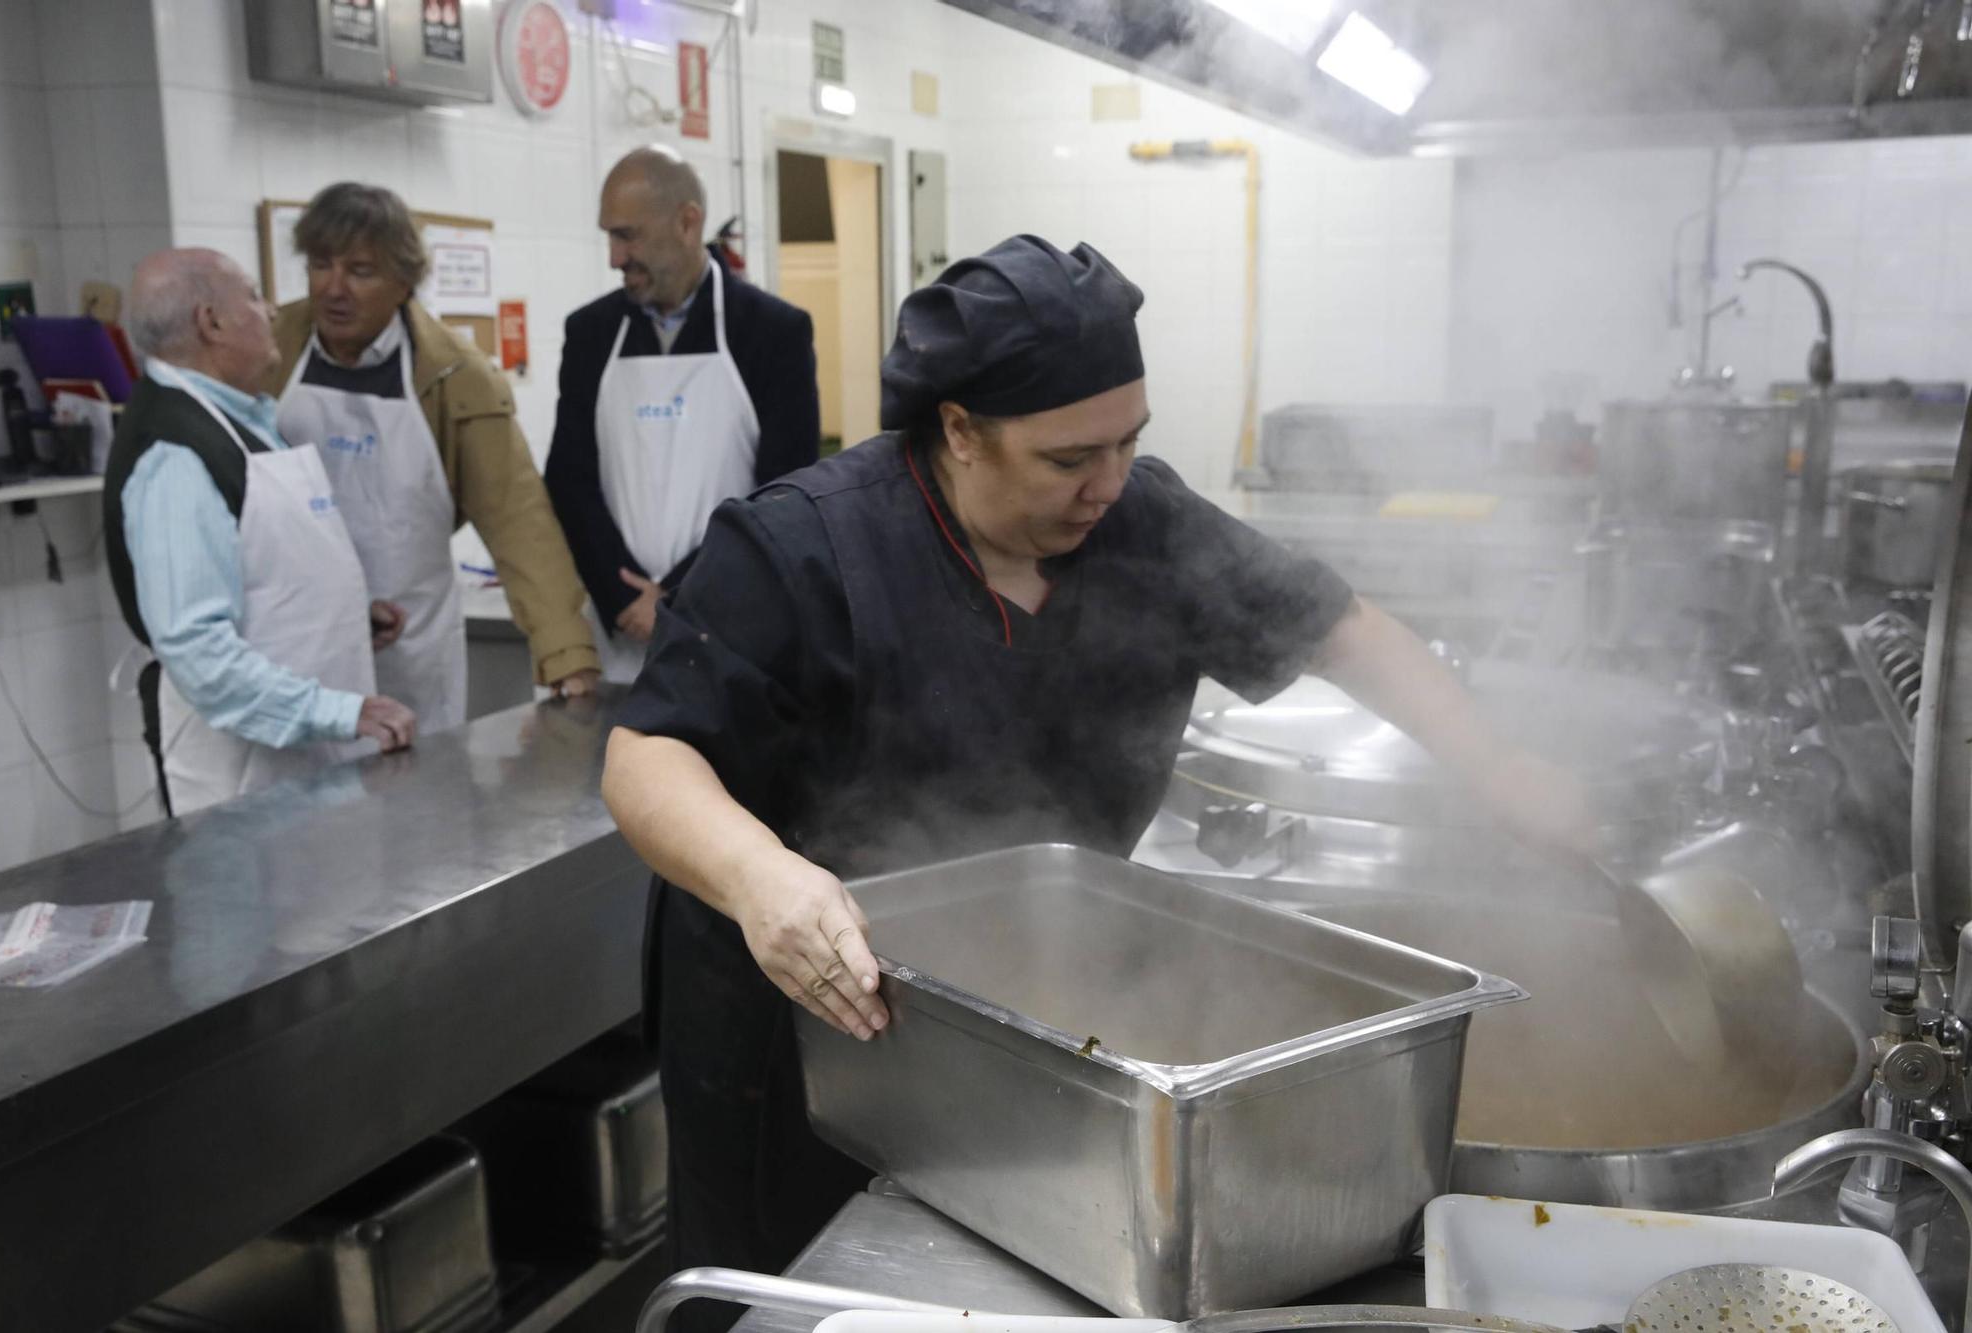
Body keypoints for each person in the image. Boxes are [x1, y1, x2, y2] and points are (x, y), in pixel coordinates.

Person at [598, 235, 1598, 1309]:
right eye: (1068, 459)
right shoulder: (803, 547)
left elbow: (1339, 629)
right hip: (795, 1014)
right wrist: (763, 881)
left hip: (1005, 1006)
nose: (1106, 485)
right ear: (958, 432)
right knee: (787, 1294)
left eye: (1128, 443)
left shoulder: (1143, 525)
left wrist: (1493, 767)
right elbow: (644, 757)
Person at [269, 182, 602, 733]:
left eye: (360, 270)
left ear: (404, 281)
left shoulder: (454, 374)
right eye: (320, 265)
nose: (334, 288)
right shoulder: (270, 349)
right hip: (297, 641)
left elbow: (517, 516)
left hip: (409, 643)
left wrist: (564, 651)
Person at [104, 248, 417, 816]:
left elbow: (254, 569)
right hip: (242, 779)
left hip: (303, 770)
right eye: (251, 294)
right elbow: (198, 650)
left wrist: (339, 616)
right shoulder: (175, 452)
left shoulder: (237, 421)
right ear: (211, 322)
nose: (270, 309)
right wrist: (343, 714)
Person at [544, 145, 821, 680]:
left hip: (733, 627)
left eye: (627, 236)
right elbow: (569, 478)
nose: (614, 257)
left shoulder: (771, 332)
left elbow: (784, 494)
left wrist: (677, 595)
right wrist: (625, 598)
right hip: (623, 634)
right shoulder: (591, 333)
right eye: (609, 236)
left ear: (688, 223)